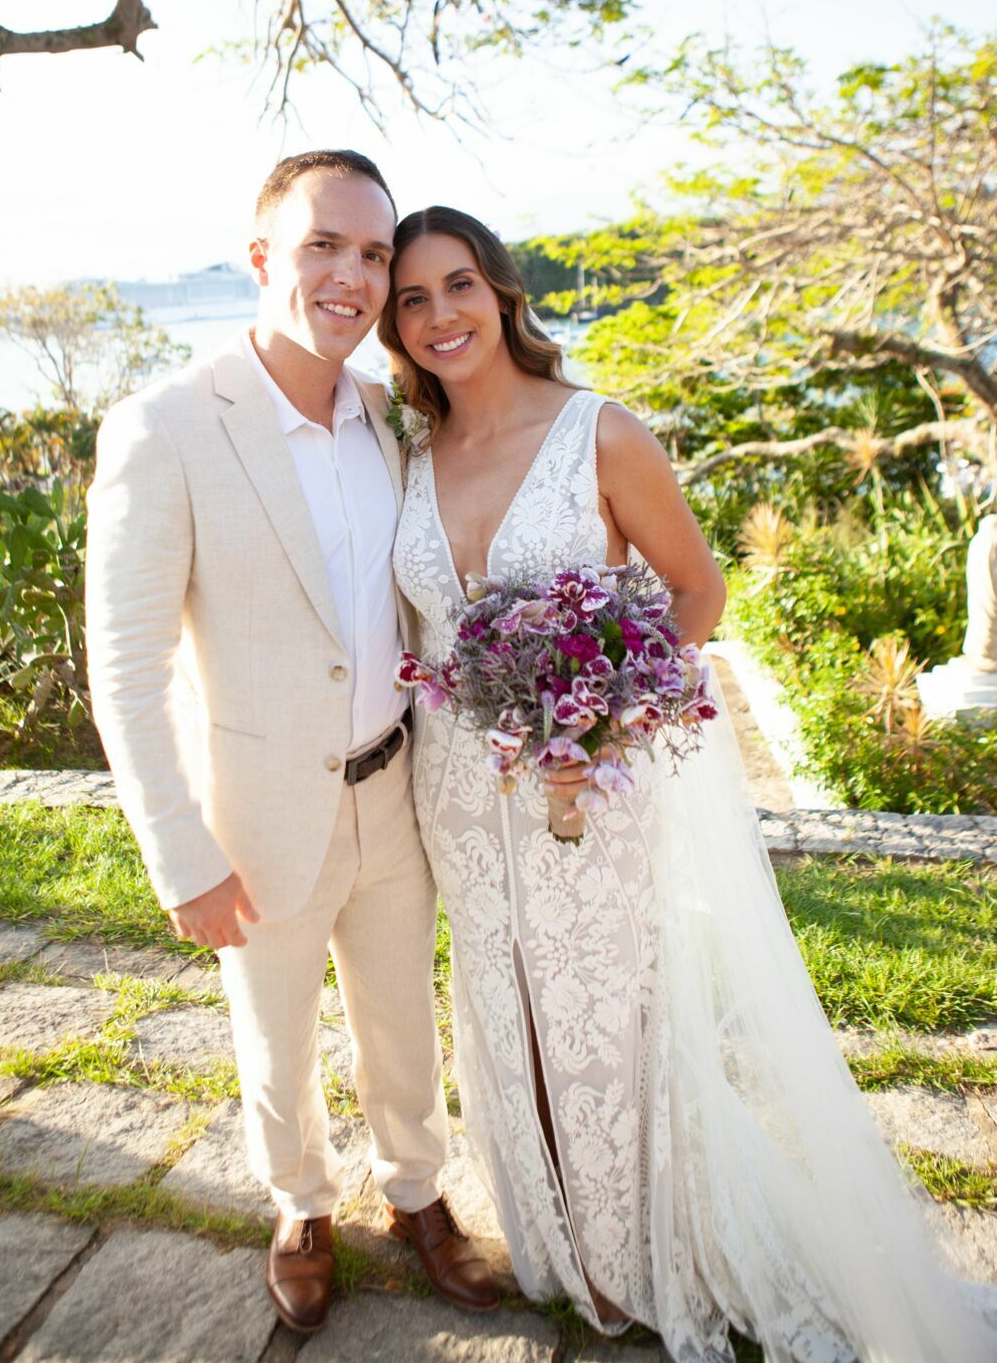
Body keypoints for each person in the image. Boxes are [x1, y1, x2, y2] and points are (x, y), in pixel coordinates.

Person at [380, 204, 996, 1363]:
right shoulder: (409, 456)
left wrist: (605, 729)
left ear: (501, 293)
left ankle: (648, 1251)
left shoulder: (597, 432)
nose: (435, 316)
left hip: (586, 783)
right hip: (455, 796)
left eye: (454, 285)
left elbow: (694, 593)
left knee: (607, 1017)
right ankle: (558, 1247)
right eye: (410, 299)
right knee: (502, 1010)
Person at [85, 156, 498, 1336]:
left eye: (374, 254)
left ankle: (417, 1199)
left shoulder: (388, 417)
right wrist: (179, 852)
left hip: (393, 784)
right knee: (273, 1037)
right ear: (263, 256)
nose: (354, 276)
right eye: (326, 245)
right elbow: (122, 663)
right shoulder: (163, 427)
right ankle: (301, 1209)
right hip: (255, 812)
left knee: (399, 1022)